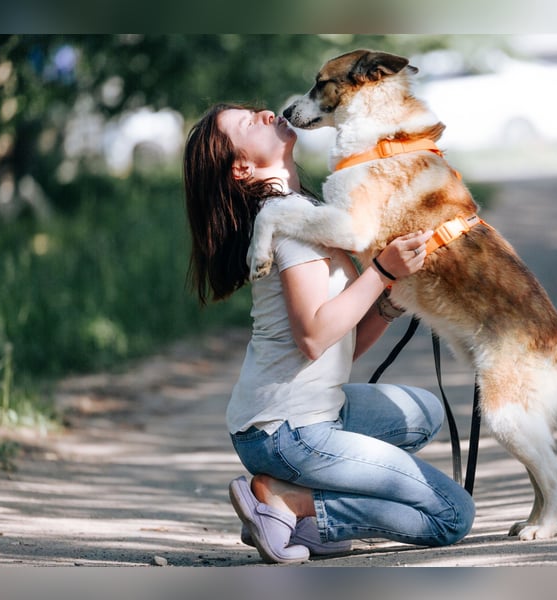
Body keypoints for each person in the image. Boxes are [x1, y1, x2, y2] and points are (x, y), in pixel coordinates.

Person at [183, 102, 475, 564]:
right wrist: (380, 271)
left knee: (423, 413)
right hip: (286, 431)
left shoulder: (304, 213)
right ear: (240, 168)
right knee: (451, 516)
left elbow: (341, 346)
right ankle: (293, 505)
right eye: (246, 122)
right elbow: (315, 337)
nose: (263, 111)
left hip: (298, 418)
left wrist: (390, 299)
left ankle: (301, 503)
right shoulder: (289, 224)